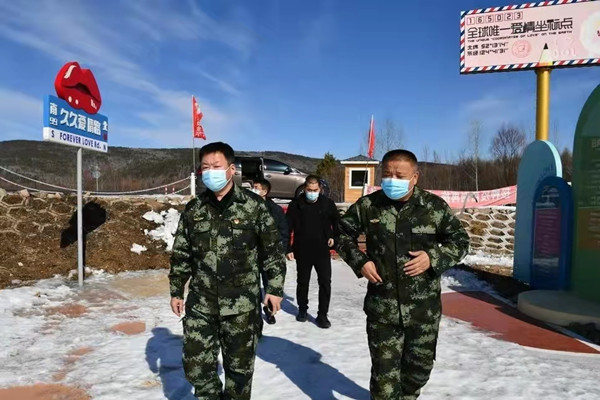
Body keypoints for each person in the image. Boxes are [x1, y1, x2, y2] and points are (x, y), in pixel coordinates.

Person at [336, 149, 470, 400]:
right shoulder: (369, 206)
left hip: (423, 311)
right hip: (383, 310)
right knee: (384, 383)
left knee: (418, 373)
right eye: (387, 174)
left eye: (400, 175)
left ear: (415, 177)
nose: (392, 180)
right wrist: (361, 262)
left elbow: (461, 242)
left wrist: (432, 258)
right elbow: (342, 234)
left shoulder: (433, 207)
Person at [169, 142, 286, 400]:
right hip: (202, 304)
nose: (210, 171)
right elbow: (181, 253)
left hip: (241, 307)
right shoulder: (194, 209)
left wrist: (275, 288)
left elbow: (272, 251)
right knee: (197, 367)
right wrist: (176, 290)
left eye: (216, 166)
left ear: (231, 169)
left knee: (239, 374)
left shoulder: (254, 206)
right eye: (205, 167)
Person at [286, 175, 339, 329]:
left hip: (322, 250)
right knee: (303, 282)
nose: (312, 193)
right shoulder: (296, 205)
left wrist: (333, 237)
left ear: (320, 189)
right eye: (309, 190)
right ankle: (302, 310)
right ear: (304, 188)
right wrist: (288, 248)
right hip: (302, 249)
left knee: (325, 282)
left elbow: (336, 222)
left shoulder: (327, 204)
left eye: (315, 190)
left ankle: (323, 315)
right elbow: (287, 227)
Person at [251, 178, 289, 327]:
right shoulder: (246, 207)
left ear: (264, 191)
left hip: (269, 255)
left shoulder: (275, 210)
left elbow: (283, 231)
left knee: (269, 284)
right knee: (252, 286)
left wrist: (281, 250)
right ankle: (254, 314)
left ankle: (269, 310)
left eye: (256, 187)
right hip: (251, 254)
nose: (253, 190)